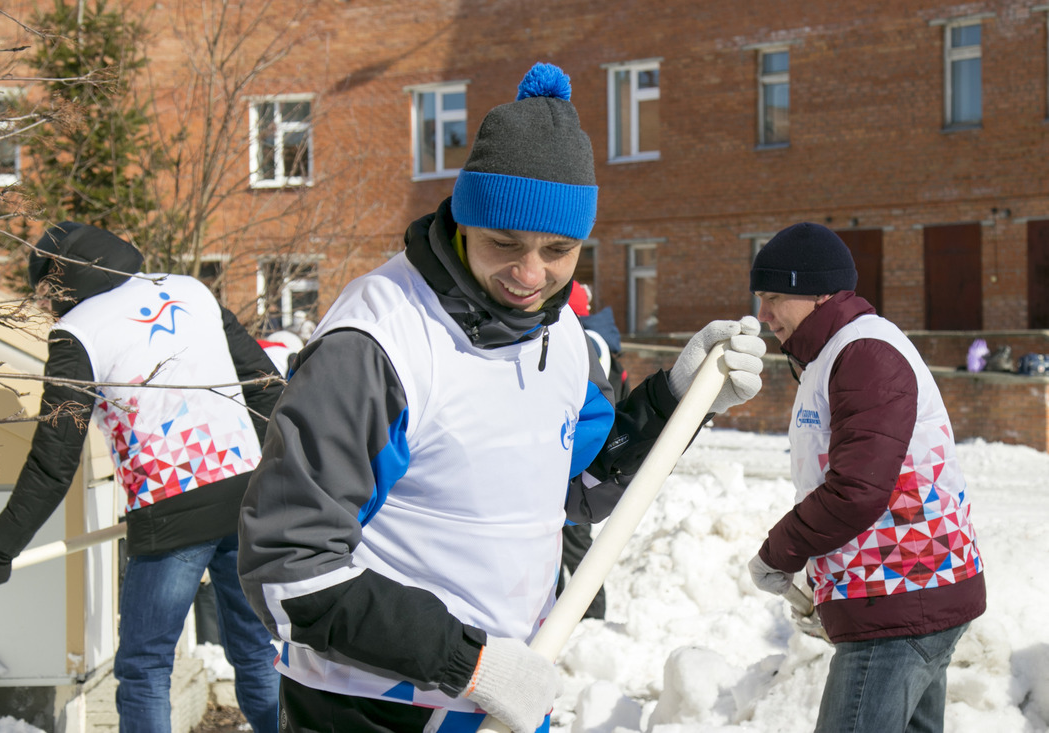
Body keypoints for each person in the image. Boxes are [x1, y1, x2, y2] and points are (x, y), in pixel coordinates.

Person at [237, 62, 766, 733]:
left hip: (504, 699)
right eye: (504, 243)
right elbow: (289, 569)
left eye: (559, 249)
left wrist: (673, 401)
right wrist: (471, 662)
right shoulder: (378, 343)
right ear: (463, 217)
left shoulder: (563, 334)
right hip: (370, 707)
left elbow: (575, 491)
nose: (529, 274)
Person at [0, 222, 284, 733]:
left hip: (170, 511)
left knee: (145, 668)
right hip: (248, 498)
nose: (45, 304)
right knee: (257, 652)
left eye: (45, 290)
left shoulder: (78, 332)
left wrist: (0, 550)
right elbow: (268, 388)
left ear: (62, 277)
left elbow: (54, 459)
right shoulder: (189, 290)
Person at [745, 222, 986, 733]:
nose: (763, 315)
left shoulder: (864, 354)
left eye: (773, 297)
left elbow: (856, 490)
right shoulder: (835, 352)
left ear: (818, 292)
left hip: (901, 598)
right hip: (906, 590)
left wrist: (778, 553)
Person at [555, 281, 627, 620]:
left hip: (578, 466)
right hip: (589, 464)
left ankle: (592, 614)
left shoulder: (578, 345)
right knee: (566, 545)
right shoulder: (602, 342)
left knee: (573, 543)